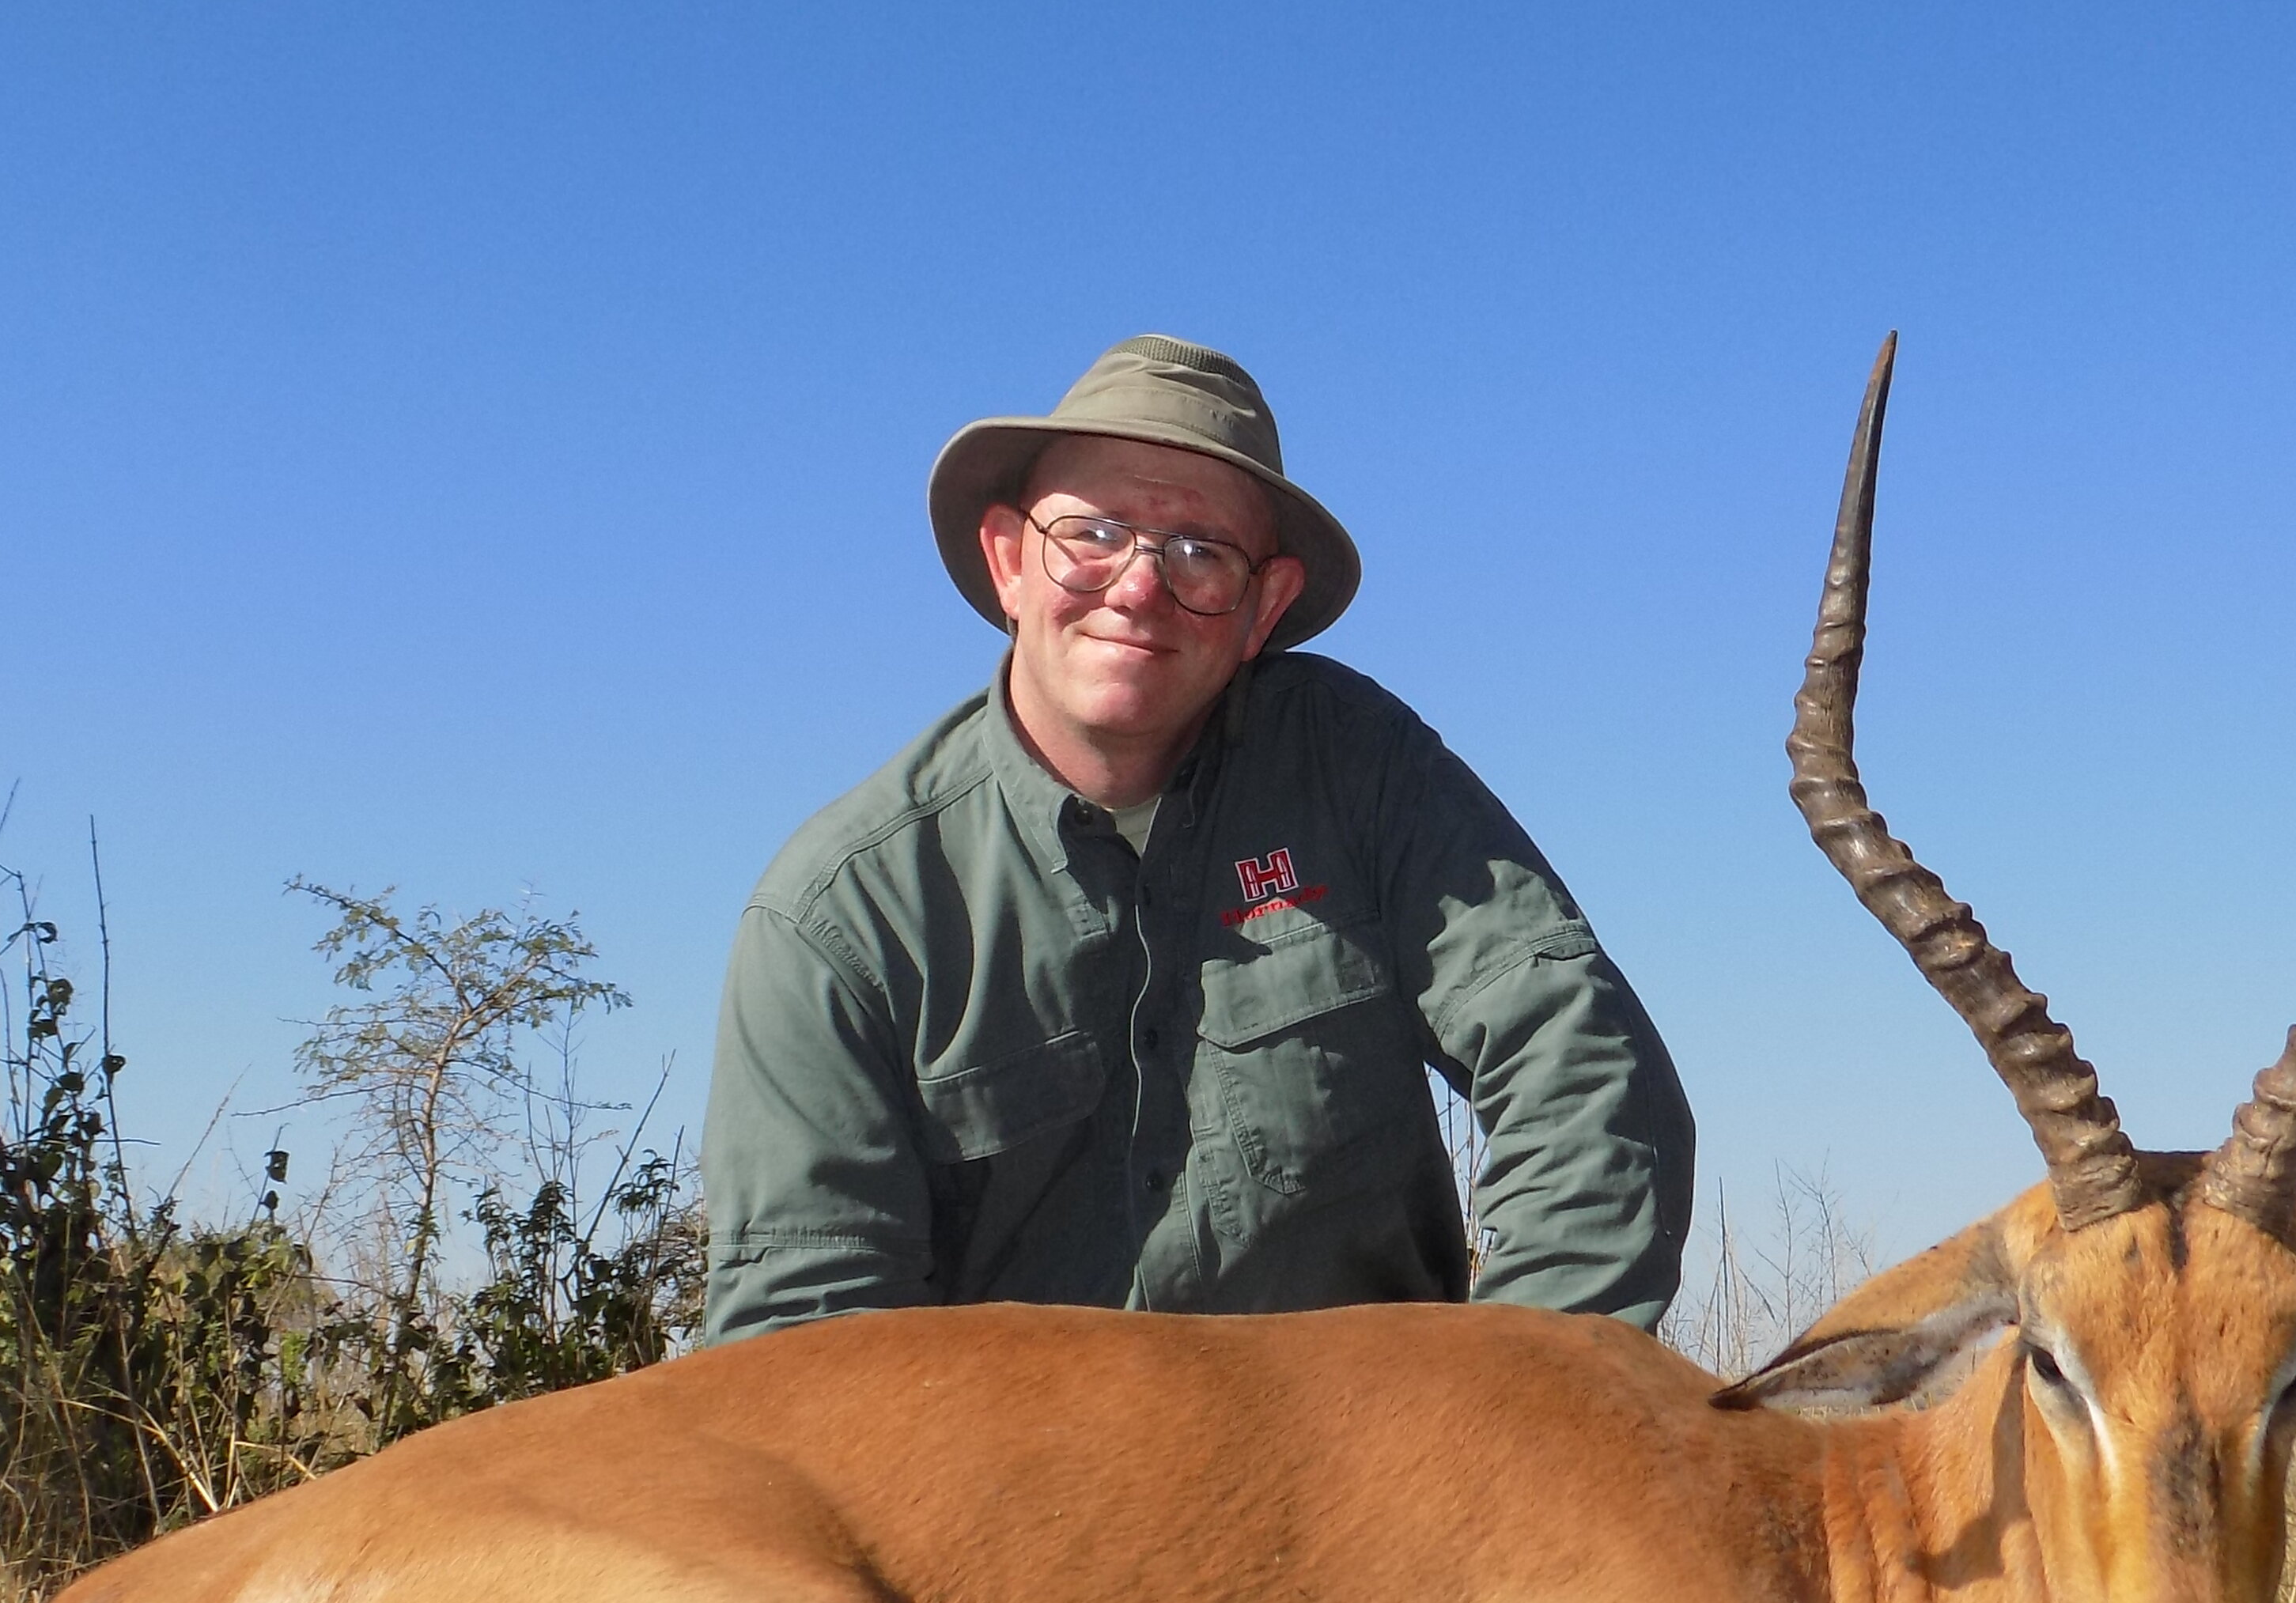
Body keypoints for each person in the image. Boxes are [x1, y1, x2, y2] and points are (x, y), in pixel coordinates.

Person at [700, 333, 1694, 1341]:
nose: (1137, 586)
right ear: (1007, 561)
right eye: (1091, 533)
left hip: (1379, 1469)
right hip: (1007, 1488)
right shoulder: (839, 914)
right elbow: (800, 1335)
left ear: (1262, 607)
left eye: (1200, 552)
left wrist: (1515, 1414)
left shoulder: (1357, 767)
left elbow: (1582, 1071)